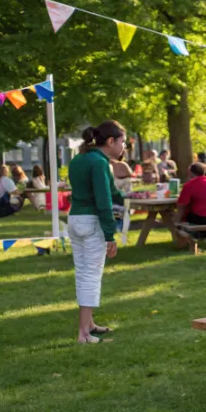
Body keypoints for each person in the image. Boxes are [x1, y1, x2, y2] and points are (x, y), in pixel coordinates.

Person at [68, 120, 127, 344]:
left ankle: (89, 323)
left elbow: (110, 191)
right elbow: (103, 200)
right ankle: (84, 333)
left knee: (83, 273)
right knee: (91, 276)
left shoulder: (80, 159)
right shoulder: (100, 163)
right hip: (91, 222)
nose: (123, 147)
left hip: (75, 219)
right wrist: (111, 234)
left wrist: (127, 199)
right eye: (122, 142)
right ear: (110, 141)